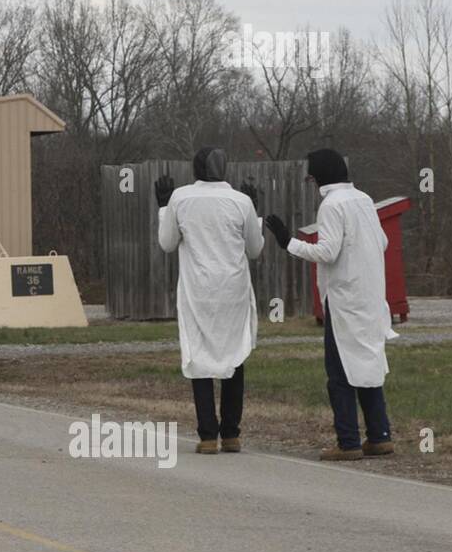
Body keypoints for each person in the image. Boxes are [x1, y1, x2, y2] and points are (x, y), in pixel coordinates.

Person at [264, 149, 395, 461]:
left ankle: (348, 441)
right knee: (368, 364)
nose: (311, 182)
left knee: (338, 372)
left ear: (319, 176)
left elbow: (327, 252)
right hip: (372, 296)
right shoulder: (363, 199)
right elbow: (384, 242)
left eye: (311, 176)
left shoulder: (331, 204)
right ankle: (380, 436)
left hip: (344, 300)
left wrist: (288, 243)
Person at [156, 147, 265, 454]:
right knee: (235, 354)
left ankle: (207, 435)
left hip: (198, 289)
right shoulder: (240, 201)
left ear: (196, 169)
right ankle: (231, 433)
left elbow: (167, 244)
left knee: (199, 355)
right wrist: (254, 211)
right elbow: (255, 250)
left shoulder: (180, 198)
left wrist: (164, 208)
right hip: (233, 289)